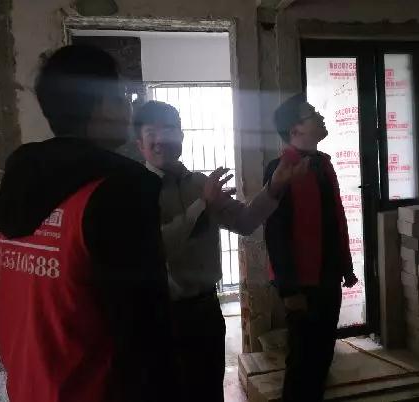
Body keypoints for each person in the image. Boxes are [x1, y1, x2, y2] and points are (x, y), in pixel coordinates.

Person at [0, 45, 177, 402]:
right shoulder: (119, 191)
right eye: (122, 96)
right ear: (101, 103)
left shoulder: (22, 182)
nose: (129, 106)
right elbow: (144, 331)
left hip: (29, 387)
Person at [133, 100, 304, 402]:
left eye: (169, 130)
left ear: (181, 136)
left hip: (206, 312)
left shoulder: (201, 183)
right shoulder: (134, 190)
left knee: (210, 391)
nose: (161, 139)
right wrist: (203, 205)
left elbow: (245, 221)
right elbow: (155, 248)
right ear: (140, 143)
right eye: (152, 133)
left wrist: (274, 187)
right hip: (162, 315)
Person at [264, 94, 358, 402]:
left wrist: (345, 267)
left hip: (327, 277)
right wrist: (289, 290)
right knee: (302, 362)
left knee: (321, 357)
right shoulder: (280, 169)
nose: (320, 117)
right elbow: (276, 233)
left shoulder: (322, 165)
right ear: (295, 130)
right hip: (302, 284)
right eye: (312, 114)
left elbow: (333, 223)